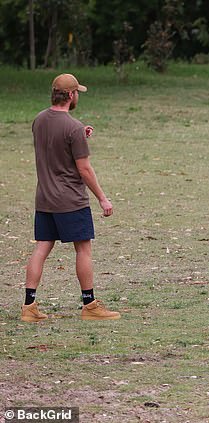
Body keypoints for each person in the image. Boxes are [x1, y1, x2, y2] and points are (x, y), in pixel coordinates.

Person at [21, 73, 120, 322]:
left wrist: (78, 136)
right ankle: (90, 305)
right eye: (78, 93)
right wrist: (102, 198)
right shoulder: (73, 127)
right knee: (83, 249)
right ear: (71, 95)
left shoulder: (39, 120)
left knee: (42, 247)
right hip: (70, 199)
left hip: (44, 198)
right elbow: (84, 169)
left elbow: (53, 145)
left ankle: (28, 306)